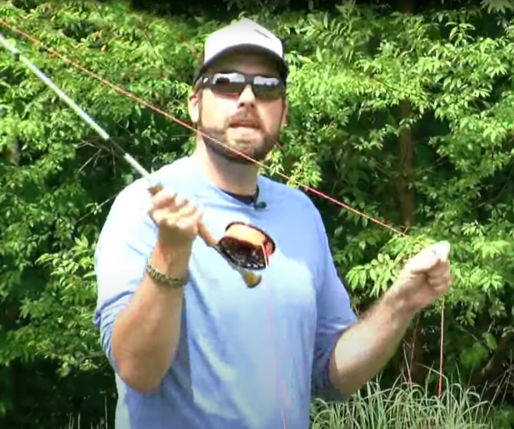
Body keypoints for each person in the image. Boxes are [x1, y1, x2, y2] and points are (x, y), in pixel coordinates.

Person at [92, 18, 452, 429]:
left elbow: (333, 377)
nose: (246, 98)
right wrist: (171, 253)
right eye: (226, 83)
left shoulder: (301, 213)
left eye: (266, 87)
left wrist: (401, 302)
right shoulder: (143, 206)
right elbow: (137, 369)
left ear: (283, 111)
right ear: (195, 102)